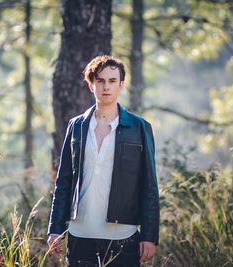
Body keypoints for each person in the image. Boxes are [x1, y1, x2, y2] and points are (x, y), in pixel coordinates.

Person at [47, 55, 159, 266]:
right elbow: (64, 181)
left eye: (112, 81)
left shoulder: (139, 128)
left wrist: (150, 235)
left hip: (122, 235)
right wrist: (55, 229)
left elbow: (149, 186)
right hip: (80, 233)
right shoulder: (77, 126)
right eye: (100, 81)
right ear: (91, 85)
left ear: (121, 85)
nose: (106, 86)